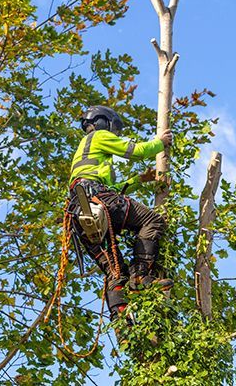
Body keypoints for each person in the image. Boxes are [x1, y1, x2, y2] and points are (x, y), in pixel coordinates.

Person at [68, 105, 173, 320]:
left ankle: (121, 322)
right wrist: (160, 143)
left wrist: (138, 180)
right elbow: (134, 151)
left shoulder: (84, 155)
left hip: (80, 210)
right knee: (152, 220)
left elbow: (114, 191)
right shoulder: (99, 135)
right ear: (102, 122)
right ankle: (141, 276)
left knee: (115, 271)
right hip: (99, 199)